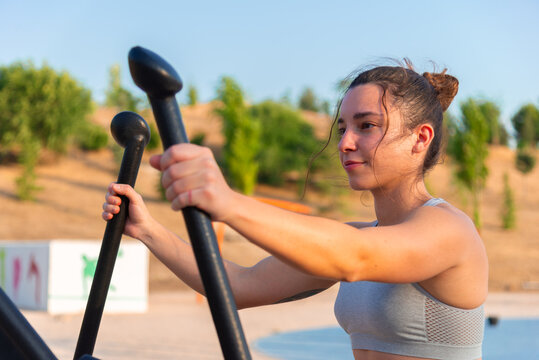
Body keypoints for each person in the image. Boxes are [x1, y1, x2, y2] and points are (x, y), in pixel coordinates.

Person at [102, 61, 488, 360]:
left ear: (420, 138)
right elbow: (237, 286)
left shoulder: (448, 230)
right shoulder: (360, 236)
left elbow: (353, 257)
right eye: (342, 129)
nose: (346, 143)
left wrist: (228, 201)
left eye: (367, 126)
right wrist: (148, 229)